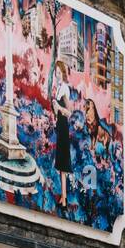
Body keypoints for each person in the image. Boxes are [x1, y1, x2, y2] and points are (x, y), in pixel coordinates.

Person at [52, 59, 73, 208]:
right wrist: (55, 107)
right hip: (60, 127)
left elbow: (69, 112)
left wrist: (58, 107)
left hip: (64, 128)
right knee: (61, 165)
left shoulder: (64, 88)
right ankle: (63, 198)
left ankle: (64, 199)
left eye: (59, 73)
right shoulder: (58, 89)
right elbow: (57, 111)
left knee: (63, 165)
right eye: (56, 73)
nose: (57, 75)